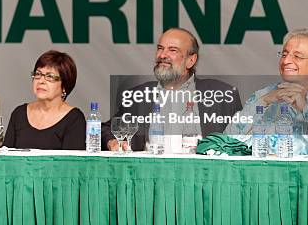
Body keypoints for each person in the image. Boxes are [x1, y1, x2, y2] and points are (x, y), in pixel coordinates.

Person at [102, 28, 243, 152]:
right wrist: (112, 141)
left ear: (191, 60)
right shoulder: (138, 96)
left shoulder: (223, 94)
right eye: (160, 48)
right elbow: (106, 128)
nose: (162, 55)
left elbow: (244, 140)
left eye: (172, 50)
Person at [226, 29, 308, 155]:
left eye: (297, 56)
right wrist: (263, 101)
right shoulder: (263, 95)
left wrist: (306, 108)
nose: (286, 61)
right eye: (284, 54)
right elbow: (228, 140)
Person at [3, 50, 86, 150]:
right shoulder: (19, 113)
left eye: (50, 77)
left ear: (64, 86)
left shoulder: (74, 119)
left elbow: (71, 164)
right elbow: (5, 158)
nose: (41, 81)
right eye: (38, 74)